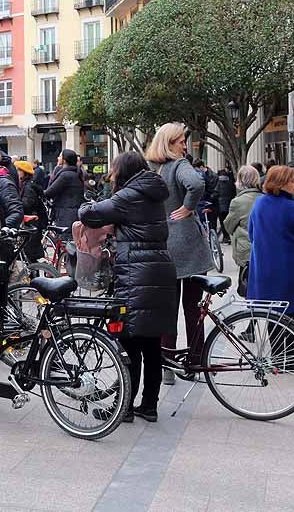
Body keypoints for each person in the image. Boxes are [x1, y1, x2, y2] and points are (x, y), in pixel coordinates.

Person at [79, 151, 175, 423]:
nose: (111, 174)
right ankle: (150, 406)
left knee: (130, 344)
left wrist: (86, 204)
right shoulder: (153, 192)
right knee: (152, 347)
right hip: (159, 269)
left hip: (136, 274)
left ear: (123, 171)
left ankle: (124, 408)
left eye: (113, 169)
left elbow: (92, 214)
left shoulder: (129, 195)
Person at [145, 123, 213, 385]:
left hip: (162, 244)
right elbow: (196, 183)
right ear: (169, 143)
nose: (185, 146)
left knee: (167, 310)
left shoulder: (150, 167)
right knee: (193, 309)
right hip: (188, 246)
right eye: (181, 141)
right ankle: (195, 362)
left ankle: (167, 365)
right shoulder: (179, 165)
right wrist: (188, 207)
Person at [246, 166, 294, 370]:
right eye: (292, 180)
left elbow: (251, 233)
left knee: (272, 314)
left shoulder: (259, 203)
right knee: (292, 313)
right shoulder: (292, 208)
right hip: (288, 267)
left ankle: (276, 357)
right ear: (281, 183)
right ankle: (291, 360)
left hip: (264, 267)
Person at [224, 165, 263, 291]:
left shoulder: (238, 202)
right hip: (265, 248)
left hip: (246, 251)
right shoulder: (264, 199)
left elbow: (228, 226)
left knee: (247, 287)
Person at [45, 149, 86, 227]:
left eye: (60, 156)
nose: (58, 158)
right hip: (74, 211)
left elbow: (50, 192)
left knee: (64, 237)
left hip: (65, 213)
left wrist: (38, 192)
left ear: (64, 160)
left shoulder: (65, 175)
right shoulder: (76, 173)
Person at [16, 160, 47, 262]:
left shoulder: (28, 187)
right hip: (34, 223)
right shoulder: (26, 185)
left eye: (18, 170)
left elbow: (27, 204)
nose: (16, 172)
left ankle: (34, 276)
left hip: (32, 223)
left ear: (24, 173)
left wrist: (15, 204)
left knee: (30, 255)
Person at [216, 167, 236, 244]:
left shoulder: (218, 183)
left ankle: (225, 237)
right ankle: (229, 236)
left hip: (220, 206)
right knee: (228, 221)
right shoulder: (230, 183)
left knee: (222, 222)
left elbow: (216, 193)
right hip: (229, 205)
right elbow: (233, 193)